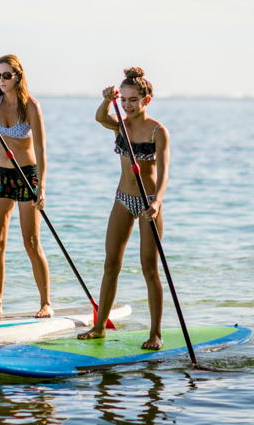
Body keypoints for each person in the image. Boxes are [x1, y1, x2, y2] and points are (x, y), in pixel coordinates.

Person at [78, 67, 170, 350]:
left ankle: (155, 333)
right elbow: (99, 117)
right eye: (124, 100)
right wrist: (108, 99)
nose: (128, 106)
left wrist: (156, 203)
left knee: (149, 268)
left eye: (133, 100)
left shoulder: (158, 131)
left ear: (147, 100)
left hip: (148, 203)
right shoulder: (120, 124)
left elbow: (165, 172)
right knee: (110, 264)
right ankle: (98, 328)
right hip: (122, 199)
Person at [0, 54, 53, 319]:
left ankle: (46, 303)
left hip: (27, 175)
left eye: (6, 75)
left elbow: (40, 148)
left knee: (31, 241)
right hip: (0, 175)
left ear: (18, 76)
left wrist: (42, 187)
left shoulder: (31, 106)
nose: (1, 80)